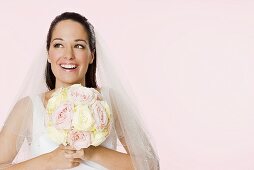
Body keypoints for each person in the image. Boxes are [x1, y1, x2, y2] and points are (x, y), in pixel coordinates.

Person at [0, 12, 159, 170]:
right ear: (48, 53)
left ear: (91, 55)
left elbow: (151, 165)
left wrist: (90, 152)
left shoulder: (110, 100)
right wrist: (48, 161)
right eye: (58, 45)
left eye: (79, 46)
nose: (68, 55)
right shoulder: (29, 107)